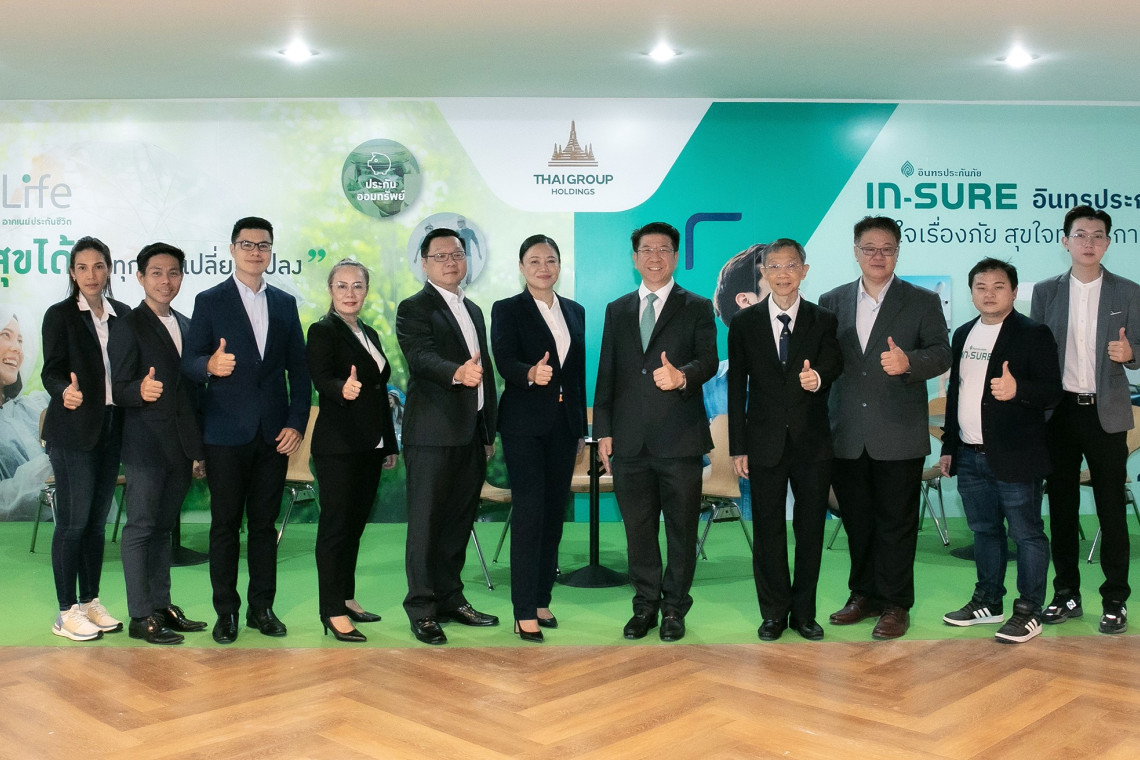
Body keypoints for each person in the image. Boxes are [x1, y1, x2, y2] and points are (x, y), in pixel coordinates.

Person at [819, 216, 951, 640]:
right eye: (870, 248)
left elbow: (942, 353)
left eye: (887, 248)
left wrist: (909, 362)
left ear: (897, 252)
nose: (878, 256)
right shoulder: (831, 300)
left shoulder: (921, 301)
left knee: (897, 524)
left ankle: (896, 604)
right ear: (855, 251)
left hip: (898, 431)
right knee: (857, 521)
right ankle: (863, 595)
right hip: (846, 432)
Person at [182, 217, 311, 644]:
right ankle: (227, 611)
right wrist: (209, 365)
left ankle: (262, 608)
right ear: (232, 249)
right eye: (247, 244)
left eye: (263, 245)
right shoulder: (209, 301)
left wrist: (295, 423)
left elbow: (300, 372)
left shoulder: (285, 304)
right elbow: (189, 362)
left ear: (271, 251)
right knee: (224, 526)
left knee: (263, 526)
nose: (256, 252)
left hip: (274, 435)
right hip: (224, 433)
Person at [594, 221, 718, 643]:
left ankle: (674, 608)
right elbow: (607, 372)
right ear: (635, 258)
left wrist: (682, 376)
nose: (655, 257)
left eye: (664, 249)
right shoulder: (617, 309)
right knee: (638, 530)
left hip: (679, 439)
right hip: (629, 441)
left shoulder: (697, 306)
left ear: (675, 257)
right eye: (646, 250)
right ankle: (644, 605)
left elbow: (709, 360)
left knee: (681, 531)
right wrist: (603, 430)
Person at [939, 258, 1062, 643]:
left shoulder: (1033, 333)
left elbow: (1052, 392)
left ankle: (1028, 611)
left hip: (1016, 454)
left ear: (1013, 291)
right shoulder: (963, 334)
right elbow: (956, 393)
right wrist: (949, 446)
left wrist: (1017, 390)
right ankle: (988, 601)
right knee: (984, 531)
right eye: (980, 287)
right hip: (969, 454)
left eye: (998, 287)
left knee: (1027, 535)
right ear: (971, 292)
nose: (988, 294)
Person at [1031, 205, 1140, 635]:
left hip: (1105, 413)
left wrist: (1132, 355)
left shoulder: (1128, 292)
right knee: (1061, 507)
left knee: (1112, 509)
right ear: (1065, 241)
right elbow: (1036, 352)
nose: (1089, 242)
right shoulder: (1046, 292)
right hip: (1058, 413)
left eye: (1097, 235)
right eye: (1080, 235)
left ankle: (1115, 600)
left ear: (1108, 243)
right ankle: (1066, 594)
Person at [727, 239, 842, 642]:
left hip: (812, 444)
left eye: (790, 265)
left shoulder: (823, 319)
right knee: (768, 531)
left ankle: (804, 614)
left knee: (810, 531)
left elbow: (835, 362)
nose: (782, 273)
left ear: (804, 271)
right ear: (762, 273)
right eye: (773, 267)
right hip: (763, 443)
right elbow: (736, 387)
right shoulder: (744, 323)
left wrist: (818, 378)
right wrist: (738, 447)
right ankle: (774, 613)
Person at [396, 227, 499, 645]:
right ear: (424, 263)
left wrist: (488, 432)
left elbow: (486, 372)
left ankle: (450, 599)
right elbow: (420, 356)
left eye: (457, 254)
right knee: (426, 525)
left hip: (471, 435)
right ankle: (422, 609)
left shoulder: (473, 309)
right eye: (440, 256)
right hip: (432, 435)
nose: (450, 262)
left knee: (458, 522)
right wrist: (456, 372)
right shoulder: (414, 308)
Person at [108, 242, 208, 645]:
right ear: (140, 277)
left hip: (181, 446)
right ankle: (139, 615)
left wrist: (198, 450)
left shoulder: (187, 324)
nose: (166, 281)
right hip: (144, 444)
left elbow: (193, 395)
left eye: (173, 273)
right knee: (141, 528)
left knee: (163, 528)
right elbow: (117, 387)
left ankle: (161, 606)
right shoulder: (127, 325)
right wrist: (139, 390)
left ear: (181, 276)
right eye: (156, 273)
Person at [491, 234, 587, 642]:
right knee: (530, 514)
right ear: (521, 267)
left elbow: (578, 373)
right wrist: (530, 373)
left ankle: (542, 598)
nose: (543, 268)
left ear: (559, 266)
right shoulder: (507, 309)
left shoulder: (575, 311)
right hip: (524, 427)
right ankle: (523, 610)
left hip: (564, 427)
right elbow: (503, 360)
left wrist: (581, 429)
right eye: (534, 261)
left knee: (553, 514)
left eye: (550, 260)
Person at [40, 236, 131, 641]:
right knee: (73, 524)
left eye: (98, 266)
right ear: (72, 273)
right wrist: (64, 391)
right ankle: (65, 612)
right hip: (72, 432)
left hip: (112, 429)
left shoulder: (122, 314)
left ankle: (90, 601)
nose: (91, 275)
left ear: (109, 269)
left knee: (96, 524)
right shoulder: (59, 315)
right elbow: (51, 371)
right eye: (82, 267)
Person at [306, 259, 399, 643]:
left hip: (372, 446)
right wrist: (340, 389)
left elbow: (380, 393)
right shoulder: (322, 331)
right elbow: (321, 378)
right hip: (339, 446)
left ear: (366, 291)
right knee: (335, 529)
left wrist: (389, 443)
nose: (350, 293)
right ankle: (331, 611)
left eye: (357, 285)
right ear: (331, 290)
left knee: (354, 527)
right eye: (342, 286)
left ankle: (346, 597)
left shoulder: (369, 332)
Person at [0, 309, 51, 520]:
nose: (17, 348)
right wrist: (56, 461)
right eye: (6, 335)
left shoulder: (37, 404)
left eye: (20, 341)